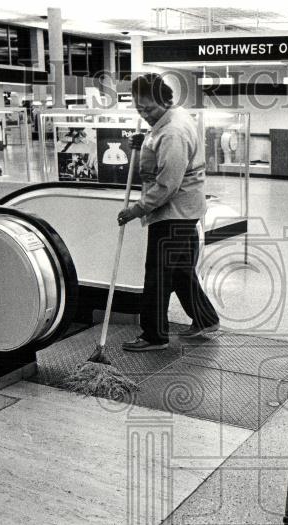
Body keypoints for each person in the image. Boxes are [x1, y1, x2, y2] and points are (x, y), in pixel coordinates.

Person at [117, 73, 220, 351]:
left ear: (165, 101)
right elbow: (159, 145)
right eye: (139, 109)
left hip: (173, 212)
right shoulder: (171, 118)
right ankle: (206, 319)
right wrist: (144, 143)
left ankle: (154, 335)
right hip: (187, 210)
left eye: (149, 109)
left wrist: (136, 210)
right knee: (179, 271)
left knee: (158, 274)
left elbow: (167, 185)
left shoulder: (173, 131)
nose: (145, 114)